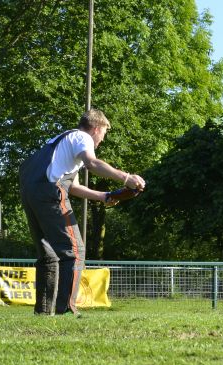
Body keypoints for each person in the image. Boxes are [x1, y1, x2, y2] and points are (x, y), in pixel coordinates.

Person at [19, 108, 145, 315]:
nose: (102, 140)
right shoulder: (82, 137)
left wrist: (104, 196)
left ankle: (43, 311)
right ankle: (67, 309)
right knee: (74, 251)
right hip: (50, 193)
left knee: (49, 254)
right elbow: (92, 163)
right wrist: (126, 178)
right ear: (96, 128)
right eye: (103, 134)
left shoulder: (60, 142)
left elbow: (73, 187)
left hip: (30, 193)